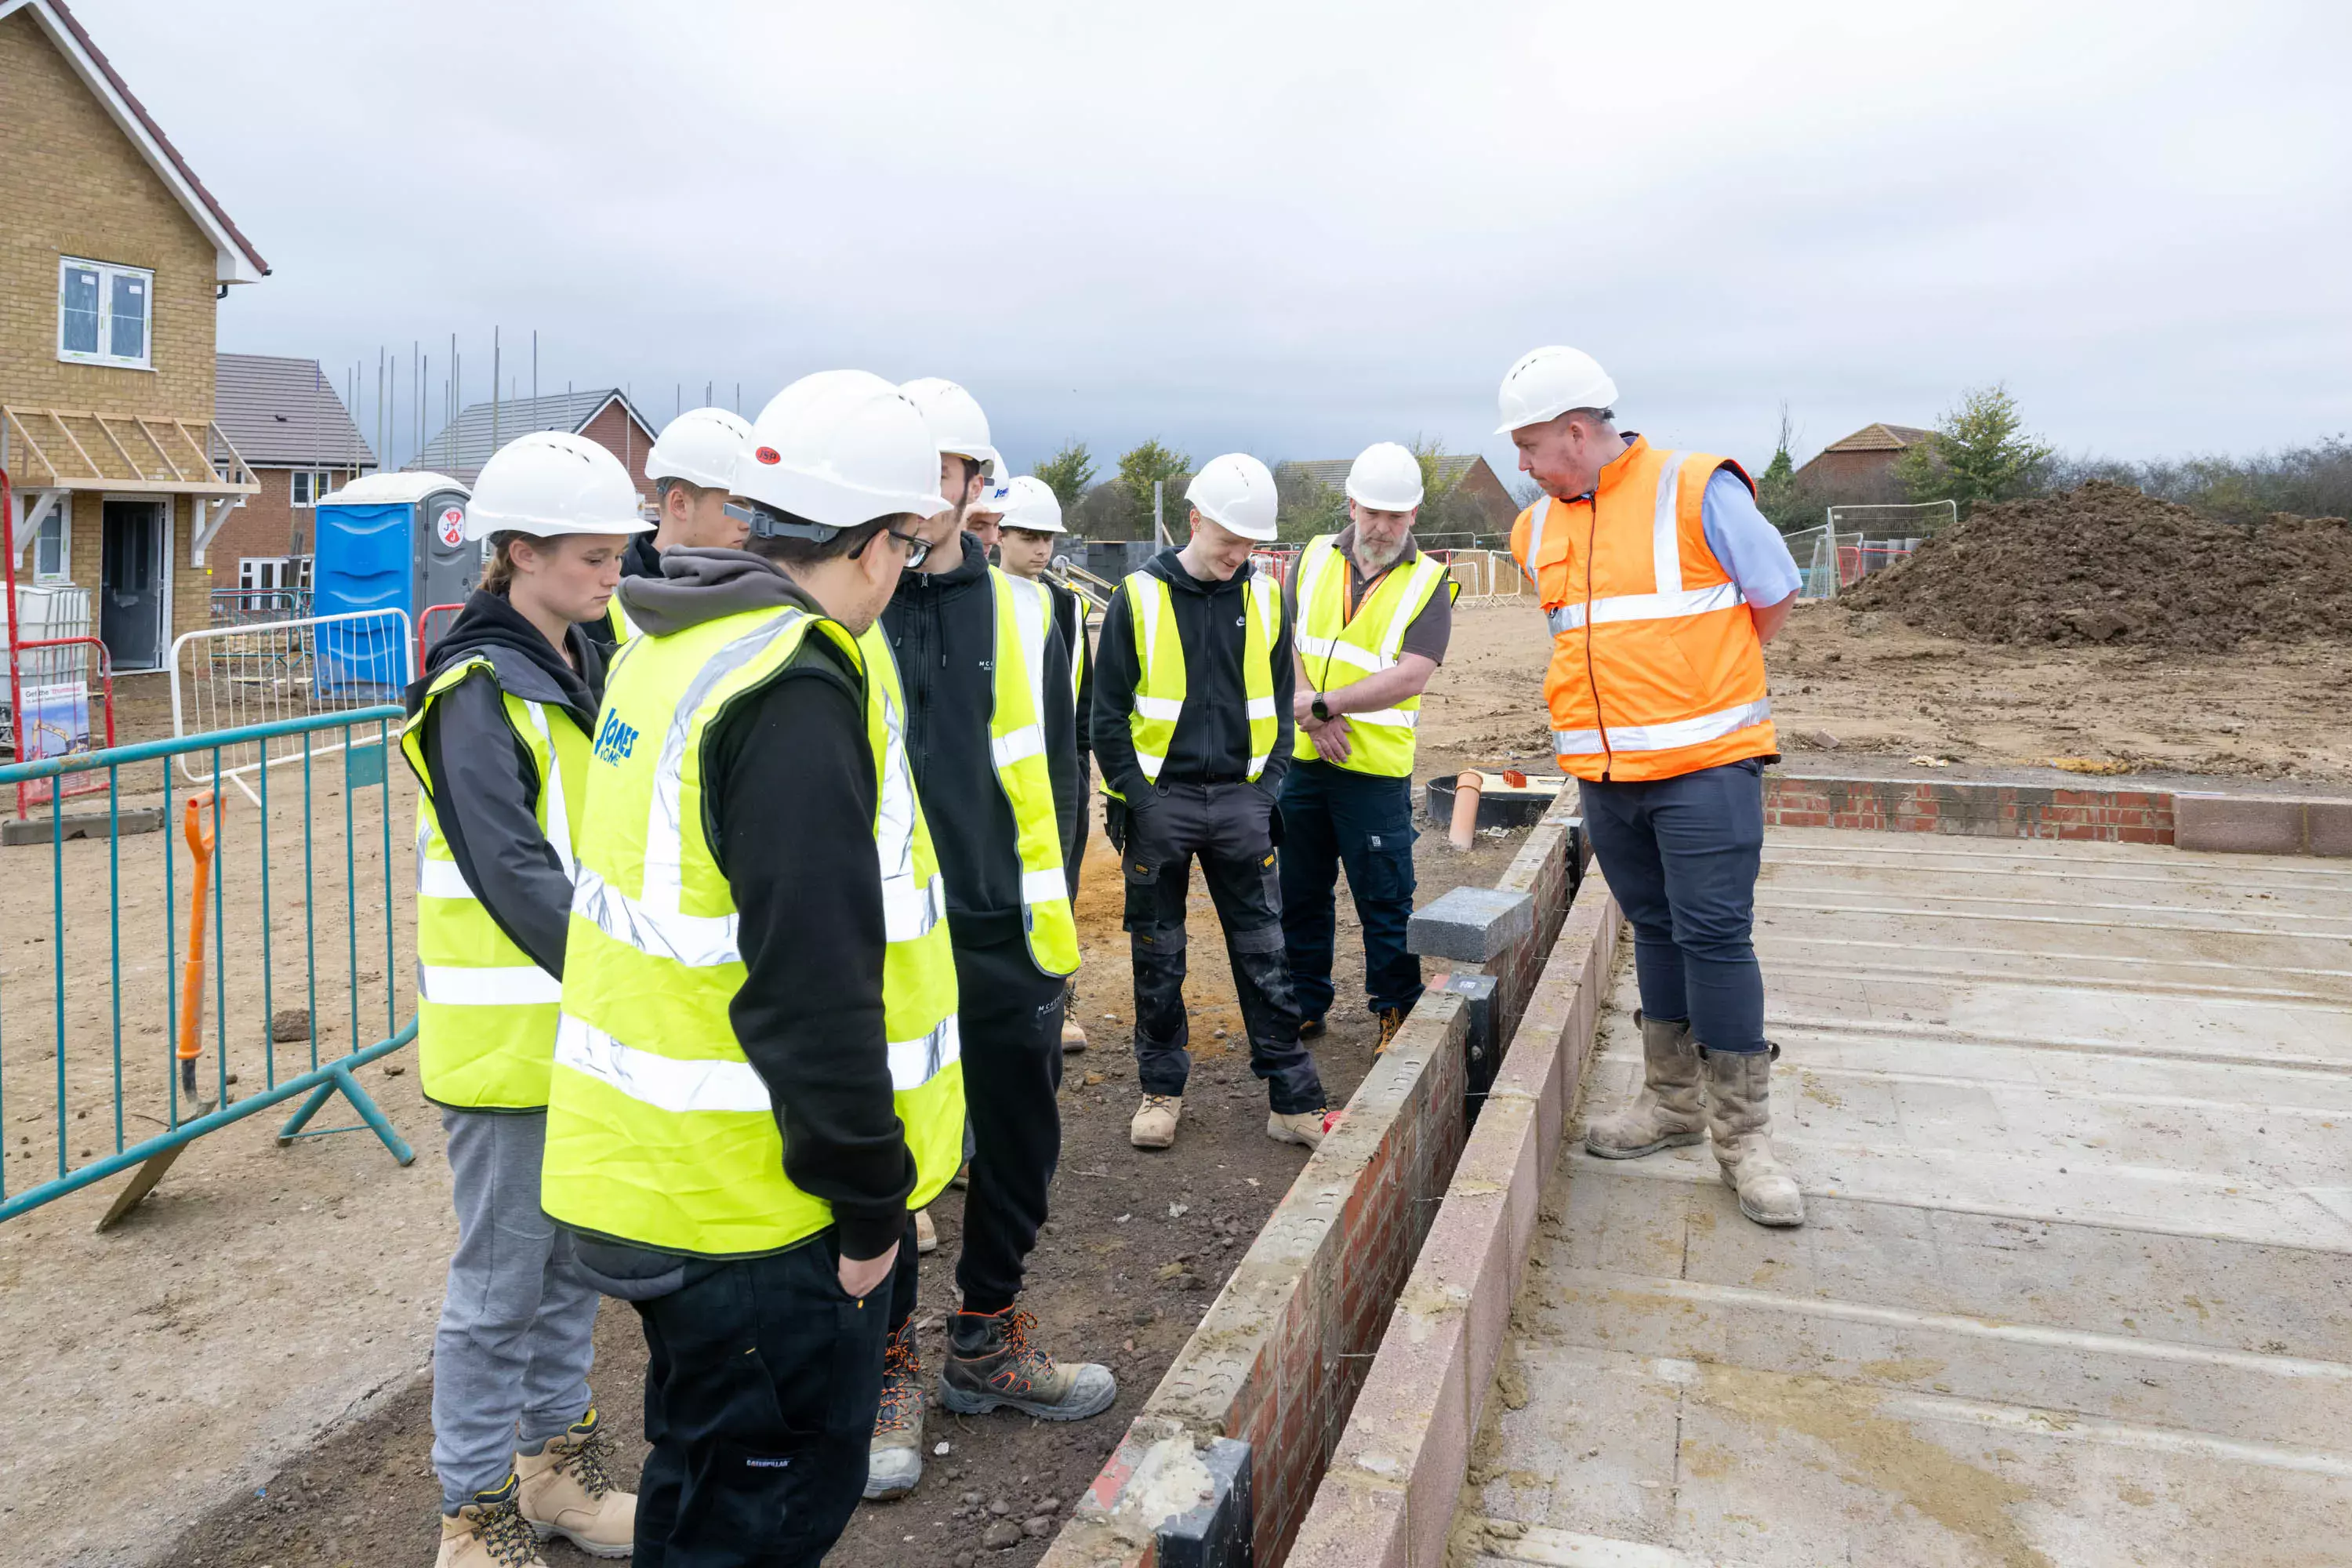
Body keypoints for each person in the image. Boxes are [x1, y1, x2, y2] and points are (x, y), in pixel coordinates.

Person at [539, 373, 964, 1566]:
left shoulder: (674, 646)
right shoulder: (787, 683)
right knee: (758, 1518)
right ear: (879, 546)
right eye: (910, 544)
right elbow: (811, 983)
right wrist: (872, 1204)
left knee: (705, 1483)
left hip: (655, 1175)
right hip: (754, 1205)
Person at [401, 430, 649, 1568]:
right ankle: (474, 1511)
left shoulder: (576, 675)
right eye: (592, 558)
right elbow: (512, 870)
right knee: (499, 1289)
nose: (611, 577)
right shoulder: (474, 690)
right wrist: (637, 985)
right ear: (518, 553)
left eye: (616, 556)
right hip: (510, 1047)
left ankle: (556, 1474)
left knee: (565, 1276)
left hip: (575, 1038)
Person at [863, 378, 1111, 1503]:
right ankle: (886, 1369)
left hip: (1004, 932)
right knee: (883, 1161)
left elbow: (1052, 774)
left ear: (973, 485)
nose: (928, 495)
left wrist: (1053, 931)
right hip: (880, 939)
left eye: (946, 472)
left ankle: (987, 1339)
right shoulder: (840, 607)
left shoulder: (1027, 611)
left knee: (1018, 1147)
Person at [1497, 345, 1806, 1229]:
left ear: (1577, 429)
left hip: (1706, 767)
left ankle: (1744, 1139)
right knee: (1658, 928)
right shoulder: (1537, 528)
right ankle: (1671, 1104)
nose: (1521, 464)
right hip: (1605, 773)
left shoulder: (1697, 486)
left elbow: (1773, 595)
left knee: (1716, 933)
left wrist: (1700, 689)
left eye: (1529, 445)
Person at [1093, 453, 1332, 1154]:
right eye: (1228, 541)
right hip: (1157, 809)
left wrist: (1264, 793)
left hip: (1240, 805)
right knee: (1158, 957)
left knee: (1266, 954)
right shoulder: (1136, 598)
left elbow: (1281, 710)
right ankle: (1161, 1091)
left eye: (1250, 544)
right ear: (1194, 521)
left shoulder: (1265, 597)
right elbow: (1105, 719)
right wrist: (1140, 799)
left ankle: (1291, 1098)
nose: (1238, 556)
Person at [1281, 441, 1455, 1054]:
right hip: (1305, 762)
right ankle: (1305, 1001)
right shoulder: (1310, 559)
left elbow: (1412, 673)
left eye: (1397, 515)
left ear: (1415, 515)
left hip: (1374, 772)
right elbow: (1290, 642)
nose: (1383, 526)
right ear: (1352, 504)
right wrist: (1308, 710)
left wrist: (1329, 706)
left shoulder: (1428, 582)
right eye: (1373, 512)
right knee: (1300, 892)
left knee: (1384, 899)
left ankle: (1394, 1010)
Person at [994, 475, 1095, 1054]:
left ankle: (1058, 1001)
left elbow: (1079, 697)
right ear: (999, 534)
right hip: (995, 770)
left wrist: (1078, 772)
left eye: (1048, 538)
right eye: (1029, 536)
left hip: (1056, 769)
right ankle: (1001, 1005)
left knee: (1058, 888)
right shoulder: (976, 595)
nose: (1041, 549)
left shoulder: (1065, 603)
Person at [586, 405, 750, 646]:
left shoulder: (756, 589)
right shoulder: (599, 601)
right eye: (737, 506)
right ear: (680, 504)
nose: (749, 523)